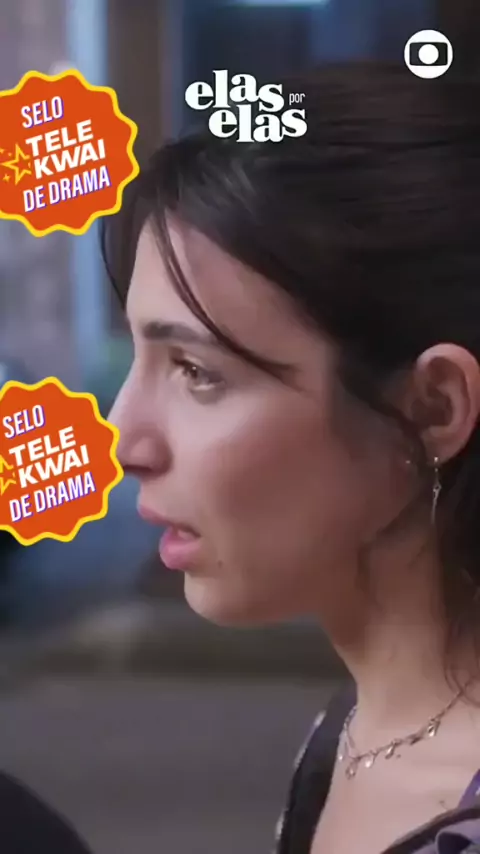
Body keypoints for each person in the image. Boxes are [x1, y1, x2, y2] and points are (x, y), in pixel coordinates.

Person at [104, 63, 480, 854]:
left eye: (197, 372)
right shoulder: (350, 729)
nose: (125, 438)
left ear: (432, 408)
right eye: (138, 354)